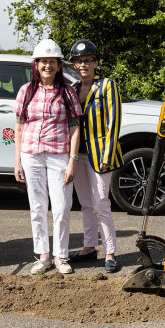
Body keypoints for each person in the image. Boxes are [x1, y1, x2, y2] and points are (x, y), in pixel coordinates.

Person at [14, 39, 82, 275]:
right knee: (38, 207)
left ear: (59, 65)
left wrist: (72, 160)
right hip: (31, 154)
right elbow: (20, 127)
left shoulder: (67, 92)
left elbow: (75, 128)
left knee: (62, 207)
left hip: (58, 156)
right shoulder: (26, 91)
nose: (48, 65)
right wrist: (17, 161)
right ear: (36, 64)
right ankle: (43, 256)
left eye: (52, 61)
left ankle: (61, 255)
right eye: (43, 61)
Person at [68, 39, 124, 273]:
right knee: (85, 204)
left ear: (96, 62)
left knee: (101, 202)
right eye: (79, 61)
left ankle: (110, 252)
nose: (83, 65)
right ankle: (89, 247)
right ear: (74, 65)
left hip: (102, 154)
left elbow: (114, 120)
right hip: (79, 154)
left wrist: (108, 154)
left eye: (87, 61)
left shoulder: (107, 85)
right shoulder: (72, 89)